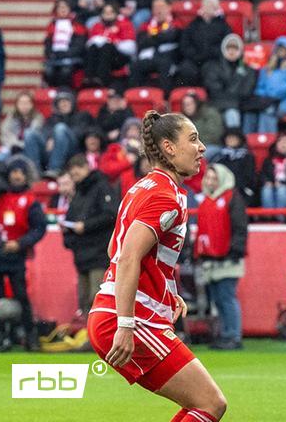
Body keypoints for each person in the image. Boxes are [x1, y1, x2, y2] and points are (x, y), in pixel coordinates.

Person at [86, 111, 228, 421]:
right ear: (168, 147)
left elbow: (115, 247)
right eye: (193, 139)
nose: (201, 147)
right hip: (128, 318)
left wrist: (166, 289)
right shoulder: (165, 196)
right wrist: (125, 324)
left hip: (119, 312)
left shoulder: (143, 187)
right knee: (210, 404)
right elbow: (126, 257)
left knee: (202, 404)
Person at [0, 159, 47, 351]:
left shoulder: (30, 200)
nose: (16, 175)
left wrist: (20, 243)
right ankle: (2, 336)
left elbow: (40, 228)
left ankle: (30, 336)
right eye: (13, 171)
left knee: (21, 296)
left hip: (16, 256)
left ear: (25, 175)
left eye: (20, 172)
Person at [194, 164, 248, 350]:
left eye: (214, 178)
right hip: (211, 258)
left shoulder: (232, 198)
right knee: (218, 298)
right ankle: (225, 334)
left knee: (227, 297)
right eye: (208, 178)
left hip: (228, 258)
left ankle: (233, 335)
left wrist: (235, 250)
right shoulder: (206, 201)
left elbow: (240, 227)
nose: (210, 181)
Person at [59, 154, 118, 315]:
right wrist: (68, 233)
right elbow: (71, 218)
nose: (75, 178)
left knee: (98, 298)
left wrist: (86, 226)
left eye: (76, 174)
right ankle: (90, 336)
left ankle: (99, 338)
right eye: (72, 176)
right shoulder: (78, 193)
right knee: (84, 300)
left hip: (99, 253)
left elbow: (111, 215)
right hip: (82, 255)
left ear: (86, 168)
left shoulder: (102, 187)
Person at [203, 33, 258, 130]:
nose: (231, 51)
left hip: (240, 105)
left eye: (235, 48)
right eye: (229, 48)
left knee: (233, 114)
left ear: (240, 50)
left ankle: (235, 142)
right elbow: (215, 90)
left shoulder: (248, 69)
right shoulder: (213, 67)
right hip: (219, 104)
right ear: (223, 49)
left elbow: (246, 91)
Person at [178, 0, 233, 87]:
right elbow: (185, 44)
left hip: (213, 59)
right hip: (194, 58)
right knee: (186, 69)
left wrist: (211, 53)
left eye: (211, 5)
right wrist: (194, 55)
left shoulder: (223, 25)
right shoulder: (193, 24)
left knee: (210, 70)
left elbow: (226, 44)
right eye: (205, 5)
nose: (207, 8)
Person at [253, 37, 286, 132]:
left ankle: (269, 138)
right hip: (269, 101)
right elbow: (260, 87)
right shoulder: (268, 67)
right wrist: (265, 97)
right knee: (265, 110)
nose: (281, 51)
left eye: (284, 49)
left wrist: (272, 96)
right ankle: (265, 141)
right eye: (279, 48)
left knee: (270, 110)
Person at [132, 0, 181, 92]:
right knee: (135, 66)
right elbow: (141, 42)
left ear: (169, 7)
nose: (158, 11)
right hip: (150, 58)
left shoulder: (176, 23)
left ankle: (165, 99)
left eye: (161, 7)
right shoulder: (146, 25)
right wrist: (161, 36)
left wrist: (153, 38)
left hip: (169, 58)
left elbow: (173, 37)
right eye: (155, 7)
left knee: (165, 65)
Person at [84, 3, 137, 88]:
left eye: (111, 12)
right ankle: (90, 78)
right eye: (105, 13)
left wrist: (112, 42)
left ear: (116, 14)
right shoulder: (97, 26)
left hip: (119, 57)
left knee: (107, 47)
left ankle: (102, 79)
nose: (108, 15)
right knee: (93, 47)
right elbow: (89, 43)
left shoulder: (125, 24)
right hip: (100, 56)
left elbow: (131, 47)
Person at [44, 0, 86, 88]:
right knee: (49, 71)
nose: (63, 9)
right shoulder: (52, 25)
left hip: (71, 58)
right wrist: (51, 54)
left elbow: (79, 45)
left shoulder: (77, 24)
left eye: (65, 7)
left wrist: (66, 54)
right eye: (60, 7)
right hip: (55, 57)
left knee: (65, 71)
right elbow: (47, 44)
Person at [214, 128, 259, 204]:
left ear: (240, 140)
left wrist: (240, 189)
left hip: (242, 191)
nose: (231, 140)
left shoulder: (247, 157)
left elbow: (250, 177)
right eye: (229, 137)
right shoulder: (220, 157)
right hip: (223, 191)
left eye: (234, 137)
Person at [0, 92, 42, 160]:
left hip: (29, 148)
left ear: (32, 105)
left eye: (27, 103)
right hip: (12, 145)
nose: (24, 106)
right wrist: (14, 144)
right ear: (17, 105)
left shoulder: (38, 118)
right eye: (21, 103)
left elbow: (33, 136)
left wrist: (20, 145)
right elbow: (5, 133)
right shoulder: (11, 116)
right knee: (2, 157)